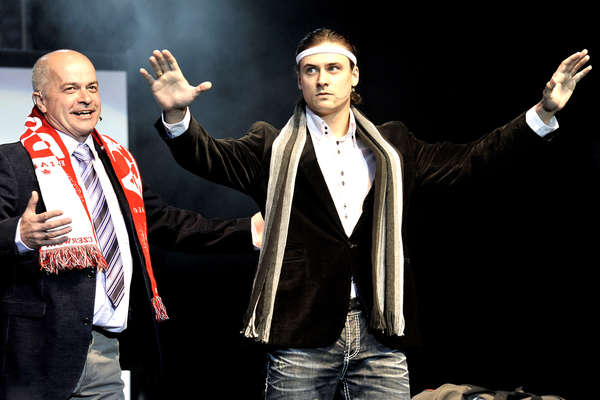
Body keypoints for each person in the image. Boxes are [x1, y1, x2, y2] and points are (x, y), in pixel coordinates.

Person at [140, 28, 591, 399]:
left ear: (354, 76)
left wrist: (542, 113)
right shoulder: (270, 146)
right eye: (311, 70)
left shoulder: (394, 145)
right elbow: (209, 157)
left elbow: (472, 161)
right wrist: (178, 116)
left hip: (381, 330)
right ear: (299, 80)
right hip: (301, 332)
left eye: (333, 68)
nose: (322, 79)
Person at [0, 49, 260, 400]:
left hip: (104, 352)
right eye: (71, 88)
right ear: (41, 101)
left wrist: (249, 230)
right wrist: (19, 235)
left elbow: (165, 223)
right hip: (33, 356)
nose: (85, 98)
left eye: (92, 87)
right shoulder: (12, 162)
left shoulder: (116, 162)